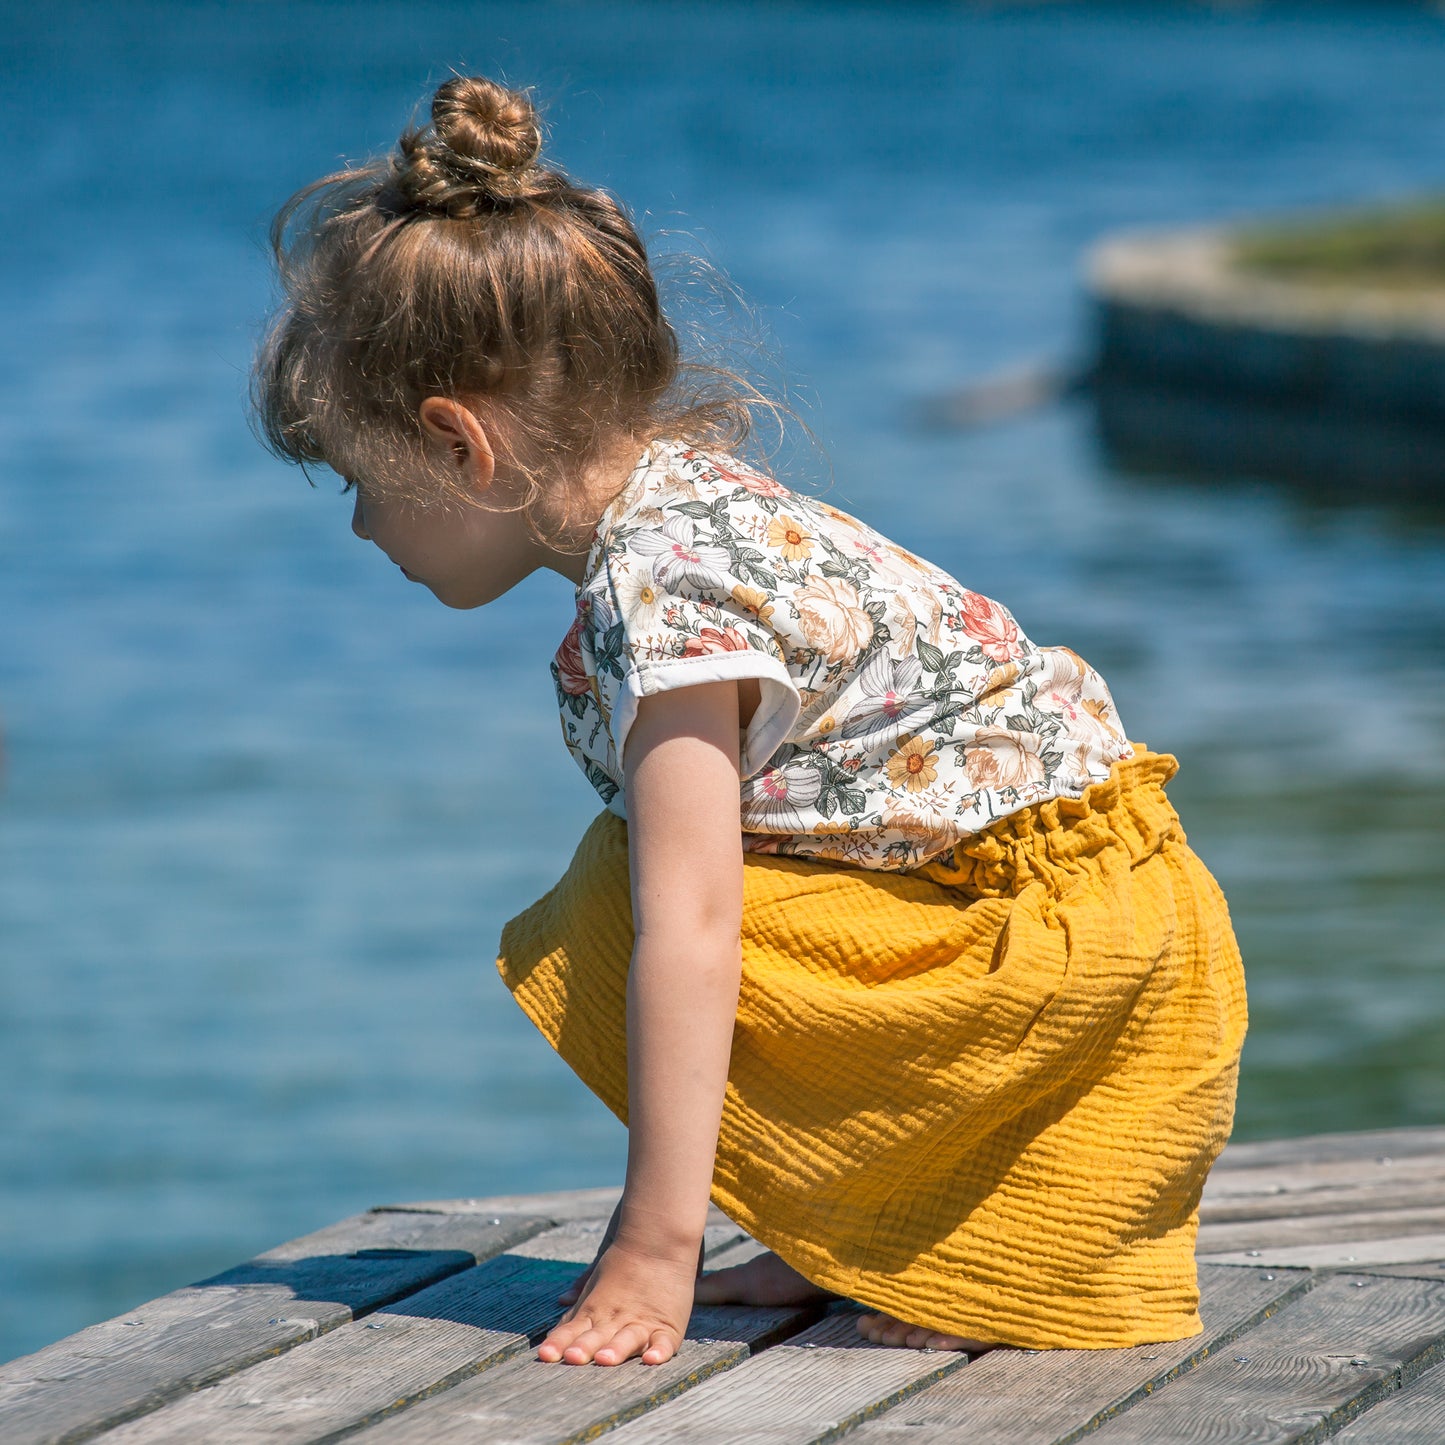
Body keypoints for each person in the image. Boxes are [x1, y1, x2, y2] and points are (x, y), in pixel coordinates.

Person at [251, 74, 1247, 1371]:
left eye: (358, 480)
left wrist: (653, 1248)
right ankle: (851, 1227)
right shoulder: (678, 507)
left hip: (1063, 965)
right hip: (1080, 928)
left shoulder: (662, 596)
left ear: (459, 448)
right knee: (644, 885)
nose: (361, 527)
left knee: (623, 911)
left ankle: (943, 1247)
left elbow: (698, 925)